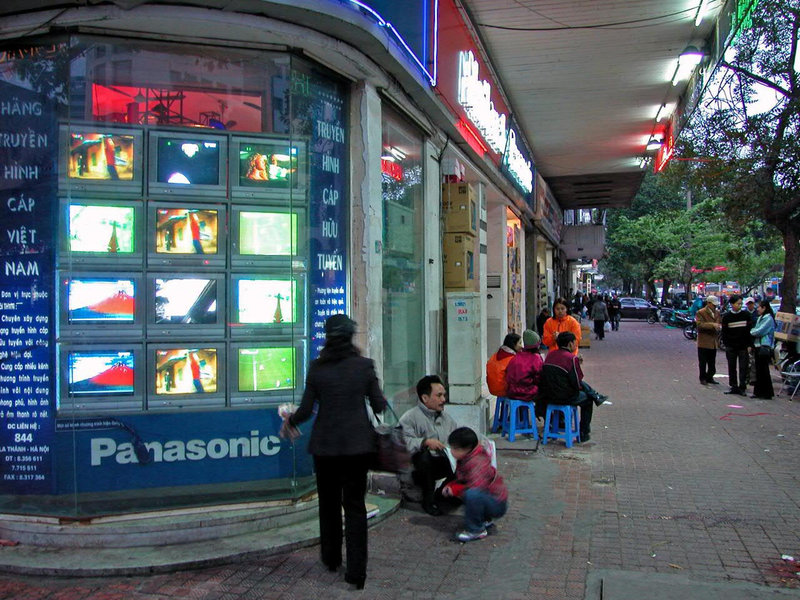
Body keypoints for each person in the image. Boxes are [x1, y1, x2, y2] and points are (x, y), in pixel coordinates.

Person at [281, 314, 386, 590]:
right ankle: (357, 573)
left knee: (328, 505)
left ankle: (330, 559)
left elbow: (304, 410)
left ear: (327, 337)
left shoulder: (317, 368)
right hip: (357, 448)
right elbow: (379, 405)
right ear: (351, 336)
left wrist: (289, 422)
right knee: (354, 507)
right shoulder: (364, 366)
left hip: (325, 448)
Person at [399, 375, 459, 516]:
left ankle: (444, 494)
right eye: (438, 396)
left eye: (444, 395)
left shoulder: (447, 419)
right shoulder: (410, 417)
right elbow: (402, 443)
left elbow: (456, 437)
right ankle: (428, 500)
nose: (443, 400)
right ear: (425, 398)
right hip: (417, 467)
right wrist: (424, 442)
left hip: (441, 461)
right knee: (424, 457)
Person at [440, 427, 508, 542]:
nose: (452, 451)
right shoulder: (467, 457)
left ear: (466, 448)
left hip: (497, 503)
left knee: (471, 494)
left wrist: (455, 489)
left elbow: (476, 487)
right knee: (468, 494)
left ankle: (476, 530)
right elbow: (464, 479)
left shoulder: (477, 462)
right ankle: (483, 519)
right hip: (489, 498)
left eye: (455, 449)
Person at [539, 332, 607, 443]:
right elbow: (576, 382)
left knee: (583, 388)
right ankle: (584, 432)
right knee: (587, 399)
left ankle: (595, 395)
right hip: (565, 396)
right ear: (570, 344)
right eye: (575, 342)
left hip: (548, 395)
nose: (576, 345)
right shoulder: (571, 358)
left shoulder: (550, 355)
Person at [505, 329, 544, 419]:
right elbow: (539, 378)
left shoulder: (516, 356)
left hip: (511, 392)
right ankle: (542, 416)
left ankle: (520, 419)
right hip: (526, 392)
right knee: (545, 394)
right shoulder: (536, 358)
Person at [721, 294, 752, 396]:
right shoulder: (727, 317)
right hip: (731, 346)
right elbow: (724, 333)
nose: (740, 305)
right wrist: (727, 344)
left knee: (743, 367)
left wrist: (749, 345)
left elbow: (749, 331)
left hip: (743, 346)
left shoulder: (746, 315)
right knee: (732, 366)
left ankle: (742, 386)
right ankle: (733, 386)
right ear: (732, 304)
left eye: (741, 303)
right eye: (738, 303)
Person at [750, 300, 776, 400]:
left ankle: (766, 392)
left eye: (759, 307)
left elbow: (759, 331)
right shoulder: (760, 318)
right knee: (758, 370)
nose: (757, 309)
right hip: (757, 346)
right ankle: (758, 392)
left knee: (763, 370)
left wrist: (752, 332)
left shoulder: (768, 319)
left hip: (764, 346)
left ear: (764, 308)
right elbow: (756, 329)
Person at [486, 333, 521, 397]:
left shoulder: (495, 355)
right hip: (503, 390)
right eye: (520, 343)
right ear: (513, 344)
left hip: (492, 389)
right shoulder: (512, 359)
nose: (521, 346)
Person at [696, 295, 721, 386]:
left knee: (712, 362)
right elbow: (700, 325)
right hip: (703, 342)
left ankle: (710, 377)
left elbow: (719, 323)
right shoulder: (701, 312)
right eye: (713, 305)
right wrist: (712, 325)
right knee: (703, 362)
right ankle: (702, 378)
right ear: (708, 303)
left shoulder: (717, 313)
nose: (715, 307)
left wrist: (718, 326)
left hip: (713, 342)